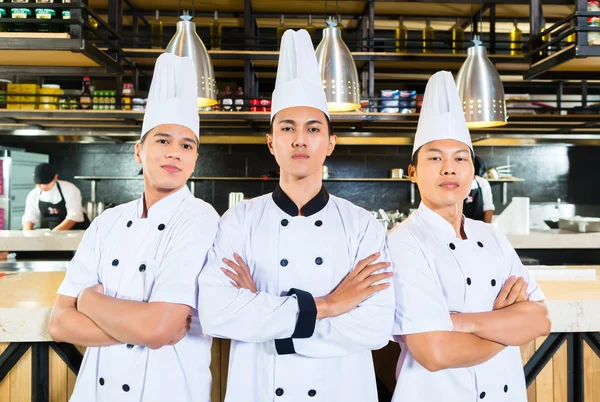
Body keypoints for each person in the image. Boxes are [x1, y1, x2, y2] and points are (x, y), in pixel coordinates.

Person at [197, 29, 395, 402]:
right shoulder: (238, 220)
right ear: (271, 142)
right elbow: (216, 314)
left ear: (330, 143)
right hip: (259, 389)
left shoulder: (362, 224)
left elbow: (375, 327)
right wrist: (332, 306)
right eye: (287, 128)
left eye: (313, 129)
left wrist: (262, 312)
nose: (300, 139)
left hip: (341, 390)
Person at [48, 53, 219, 402]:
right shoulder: (107, 221)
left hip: (168, 391)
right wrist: (141, 327)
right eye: (163, 141)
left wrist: (88, 299)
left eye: (187, 146)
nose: (175, 152)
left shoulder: (201, 218)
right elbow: (60, 324)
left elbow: (158, 329)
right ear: (139, 152)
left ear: (194, 159)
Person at [388, 71, 550, 402]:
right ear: (413, 173)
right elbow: (435, 353)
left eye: (460, 158)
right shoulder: (403, 241)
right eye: (435, 158)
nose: (449, 169)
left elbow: (540, 320)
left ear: (472, 173)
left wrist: (458, 322)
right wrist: (506, 327)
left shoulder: (492, 235)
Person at [22, 163, 90, 230]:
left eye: (47, 183)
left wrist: (53, 234)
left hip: (77, 232)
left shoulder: (69, 189)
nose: (43, 186)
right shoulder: (34, 194)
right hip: (54, 233)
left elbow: (74, 216)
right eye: (39, 184)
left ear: (55, 177)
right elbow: (30, 216)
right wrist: (27, 234)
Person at [463, 155, 495, 223]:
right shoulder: (456, 183)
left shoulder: (482, 183)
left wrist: (487, 227)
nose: (474, 177)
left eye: (475, 176)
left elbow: (488, 208)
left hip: (479, 225)